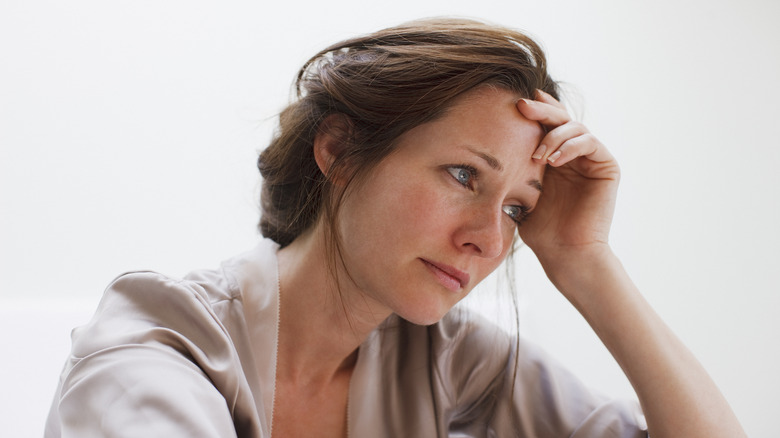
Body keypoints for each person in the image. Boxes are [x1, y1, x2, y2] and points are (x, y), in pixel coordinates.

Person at [45, 18, 746, 437]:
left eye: (516, 208)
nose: (490, 240)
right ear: (340, 150)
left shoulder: (444, 354)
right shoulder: (160, 337)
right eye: (465, 176)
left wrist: (583, 258)